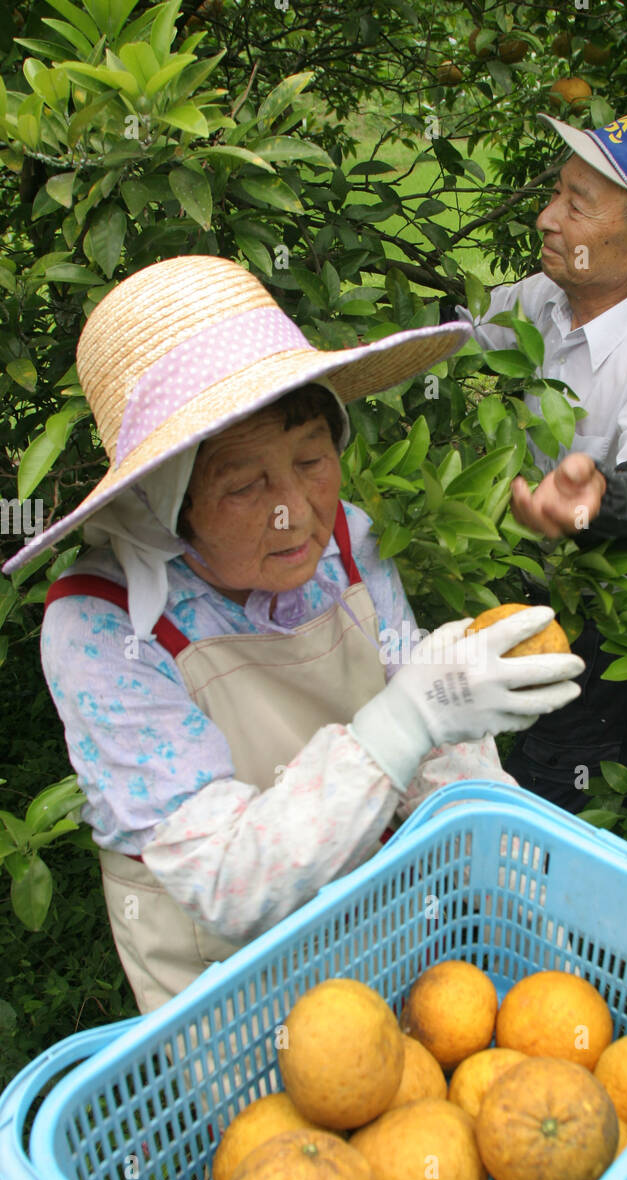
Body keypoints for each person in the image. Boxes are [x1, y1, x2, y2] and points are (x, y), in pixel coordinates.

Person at [3, 254, 584, 1015]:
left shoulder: (352, 542)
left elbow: (438, 753)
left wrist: (526, 889)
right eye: (244, 484)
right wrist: (408, 716)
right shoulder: (102, 627)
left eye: (313, 459)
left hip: (393, 944)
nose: (297, 512)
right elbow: (225, 882)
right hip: (238, 998)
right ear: (163, 503)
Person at [454, 110, 627, 812]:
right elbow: (452, 333)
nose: (548, 218)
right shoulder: (549, 298)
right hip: (541, 594)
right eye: (556, 194)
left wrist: (594, 499)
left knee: (552, 821)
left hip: (622, 628)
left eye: (576, 205)